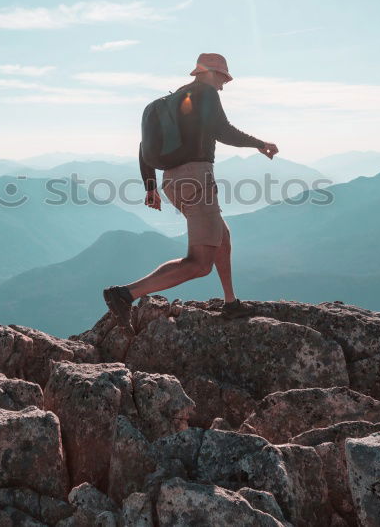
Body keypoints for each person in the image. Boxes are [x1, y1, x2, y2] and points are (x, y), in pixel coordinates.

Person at [103, 53, 278, 334]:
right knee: (199, 264)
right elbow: (224, 130)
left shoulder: (166, 104)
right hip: (196, 179)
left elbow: (143, 148)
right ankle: (125, 294)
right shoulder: (205, 93)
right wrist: (259, 143)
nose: (223, 85)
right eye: (222, 78)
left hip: (172, 181)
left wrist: (151, 188)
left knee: (222, 237)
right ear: (210, 74)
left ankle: (231, 302)